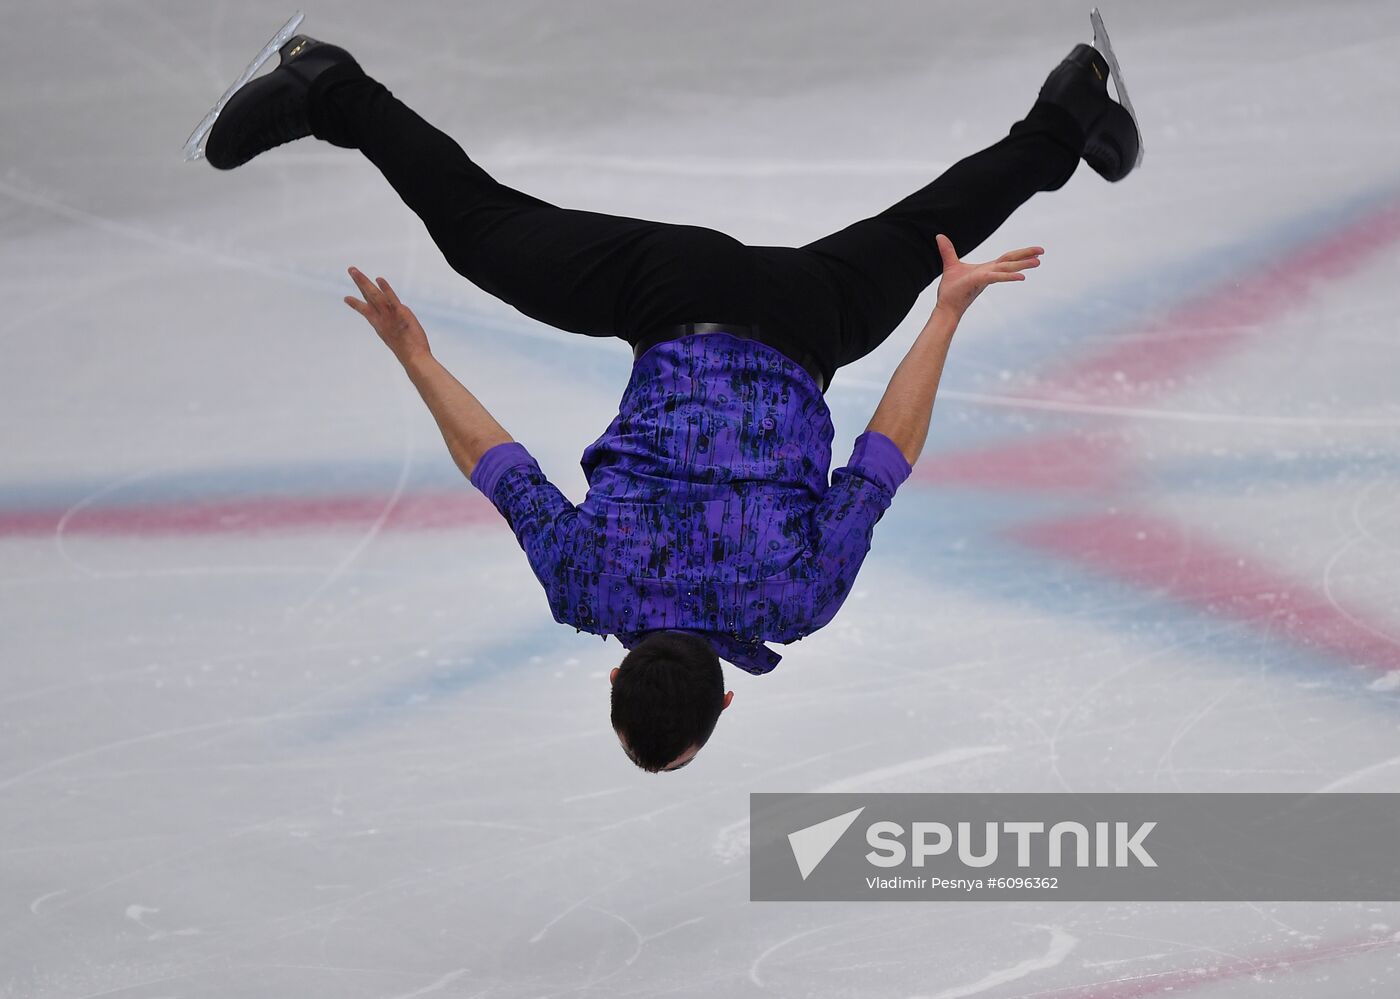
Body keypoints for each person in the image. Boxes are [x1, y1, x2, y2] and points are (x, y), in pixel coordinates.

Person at [202, 27, 1140, 772]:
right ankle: (327, 85)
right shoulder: (586, 583)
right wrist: (415, 354)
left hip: (809, 319)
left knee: (918, 231)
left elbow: (883, 457)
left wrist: (943, 314)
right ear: (618, 670)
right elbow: (498, 464)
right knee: (481, 231)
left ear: (723, 694)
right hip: (666, 290)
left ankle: (1068, 115)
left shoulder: (797, 599)